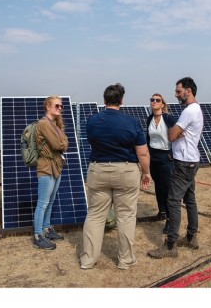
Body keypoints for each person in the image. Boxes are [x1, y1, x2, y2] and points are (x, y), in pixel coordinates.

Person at [79, 83, 152, 270]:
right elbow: (142, 153)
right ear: (122, 100)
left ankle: (88, 259)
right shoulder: (132, 122)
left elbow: (93, 143)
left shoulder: (92, 121)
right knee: (126, 216)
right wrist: (146, 173)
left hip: (98, 170)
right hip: (126, 172)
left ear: (104, 100)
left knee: (95, 215)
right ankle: (125, 260)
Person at [148, 77, 204, 259]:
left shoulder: (189, 111)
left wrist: (176, 133)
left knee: (172, 201)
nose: (176, 94)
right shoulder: (194, 109)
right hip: (191, 160)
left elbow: (171, 135)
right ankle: (191, 237)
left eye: (178, 91)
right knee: (190, 199)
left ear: (188, 91)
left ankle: (171, 245)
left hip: (184, 162)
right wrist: (178, 133)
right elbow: (175, 134)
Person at [32, 95, 69, 251]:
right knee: (43, 203)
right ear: (47, 106)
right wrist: (62, 143)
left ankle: (47, 228)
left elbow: (65, 144)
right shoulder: (44, 124)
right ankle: (38, 235)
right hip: (46, 167)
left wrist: (62, 143)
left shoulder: (55, 125)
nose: (59, 108)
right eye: (56, 106)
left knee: (51, 201)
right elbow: (57, 144)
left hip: (56, 166)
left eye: (61, 106)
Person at [146, 92, 176, 223]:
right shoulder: (149, 119)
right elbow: (148, 139)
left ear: (162, 104)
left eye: (157, 100)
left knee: (166, 187)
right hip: (153, 156)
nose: (154, 102)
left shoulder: (168, 118)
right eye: (152, 99)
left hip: (165, 156)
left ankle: (170, 218)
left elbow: (178, 134)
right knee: (158, 186)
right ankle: (161, 211)